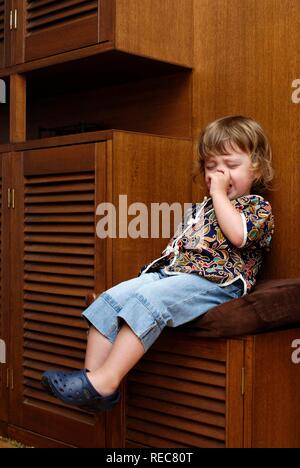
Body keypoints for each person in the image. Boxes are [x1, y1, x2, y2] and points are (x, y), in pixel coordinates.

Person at [41, 115, 275, 412]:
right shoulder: (200, 209)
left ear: (256, 167)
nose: (219, 174)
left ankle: (108, 379)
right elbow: (179, 248)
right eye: (211, 167)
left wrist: (217, 194)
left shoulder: (256, 206)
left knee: (147, 300)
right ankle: (93, 383)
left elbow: (239, 236)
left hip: (220, 281)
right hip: (175, 273)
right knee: (112, 298)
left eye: (230, 166)